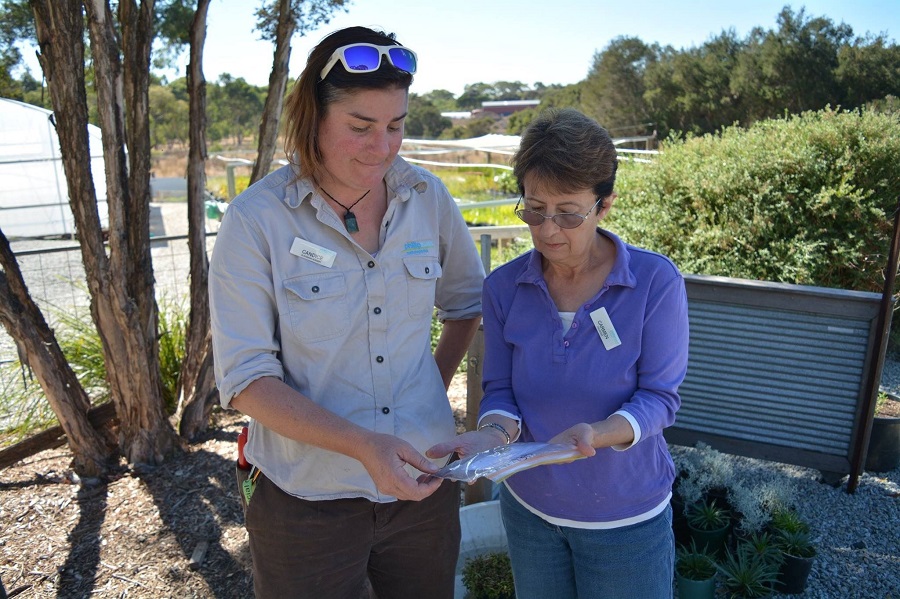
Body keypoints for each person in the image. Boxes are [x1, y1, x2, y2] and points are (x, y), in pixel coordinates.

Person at [209, 26, 485, 598]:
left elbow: (466, 305)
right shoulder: (256, 220)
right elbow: (246, 381)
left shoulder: (427, 199)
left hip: (422, 485)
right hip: (305, 499)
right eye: (360, 127)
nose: (382, 147)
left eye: (396, 126)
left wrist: (431, 383)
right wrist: (364, 445)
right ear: (313, 118)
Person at [429, 108, 689, 599]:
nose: (549, 230)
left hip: (625, 516)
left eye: (569, 213)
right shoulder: (505, 287)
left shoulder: (654, 283)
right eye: (534, 209)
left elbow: (660, 398)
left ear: (605, 204)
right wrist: (491, 436)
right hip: (531, 510)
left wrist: (600, 433)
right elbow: (502, 390)